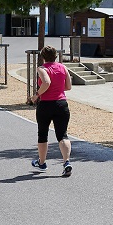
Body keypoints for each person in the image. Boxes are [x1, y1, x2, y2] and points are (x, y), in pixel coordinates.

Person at [26, 45, 73, 177]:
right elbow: (68, 87)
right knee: (62, 134)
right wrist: (58, 88)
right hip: (61, 104)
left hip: (46, 104)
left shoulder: (42, 68)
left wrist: (36, 95)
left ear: (42, 57)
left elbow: (46, 82)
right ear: (56, 56)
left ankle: (42, 162)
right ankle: (66, 162)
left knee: (42, 134)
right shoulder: (63, 67)